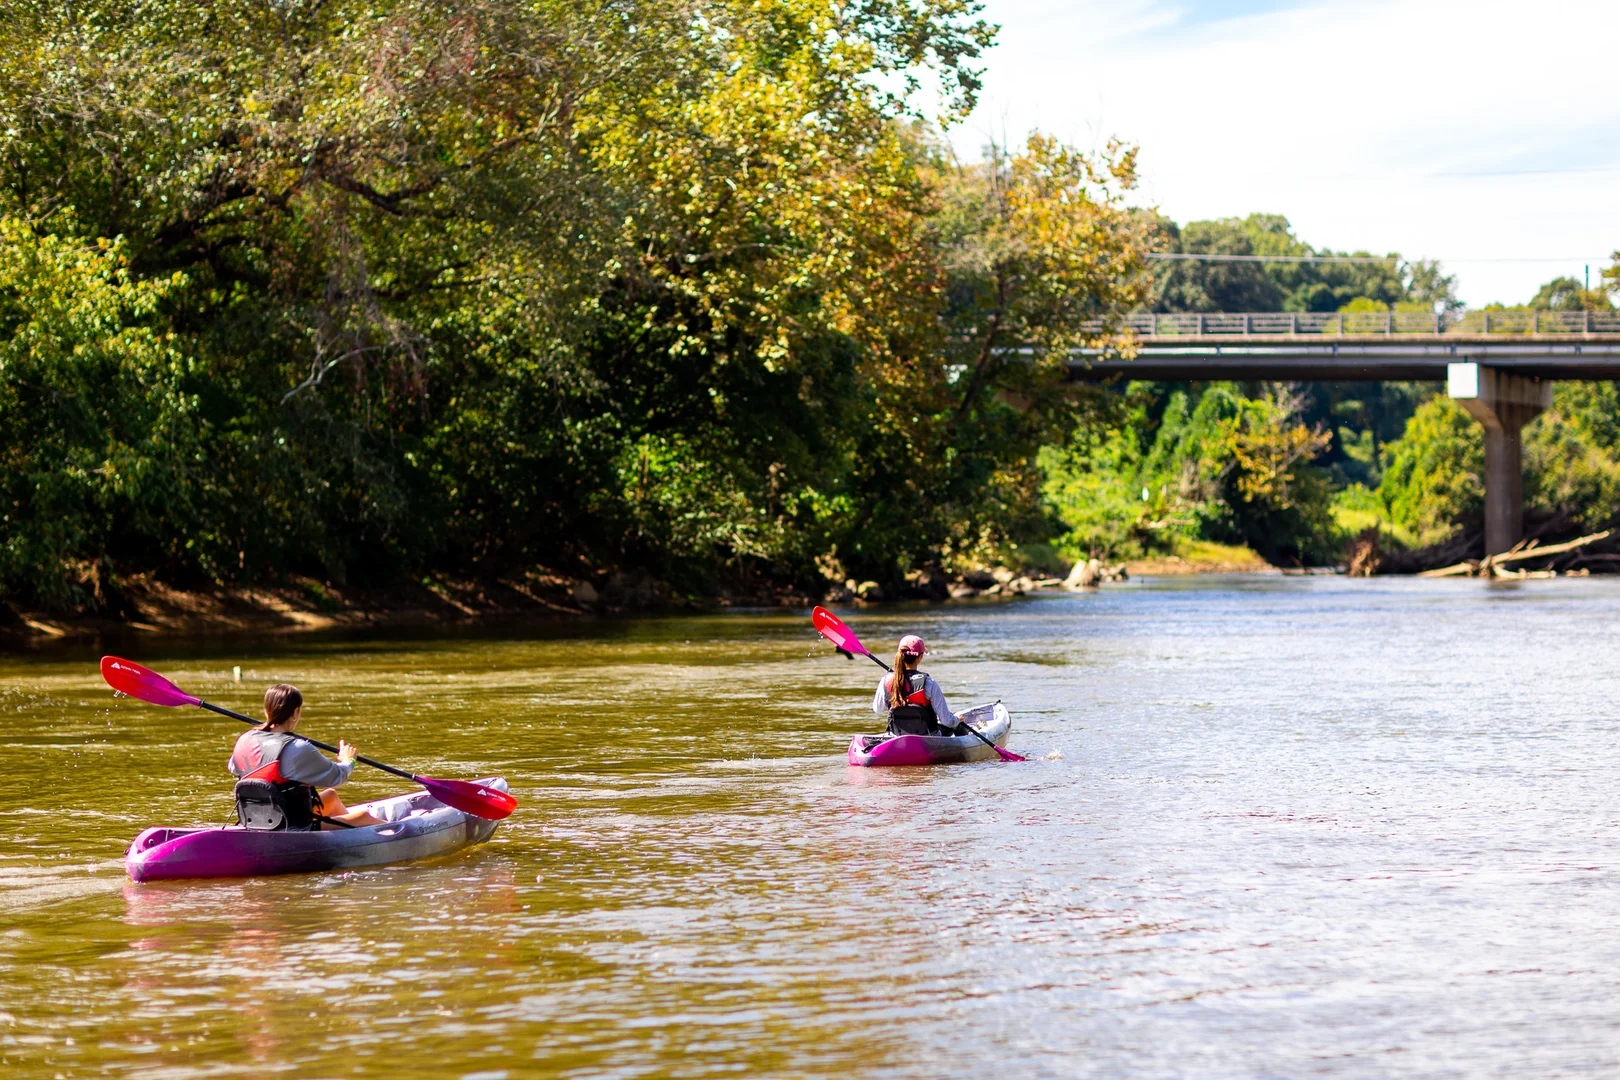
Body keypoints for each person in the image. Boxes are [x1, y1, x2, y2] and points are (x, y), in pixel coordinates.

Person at [227, 684, 382, 830]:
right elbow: (338, 777)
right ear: (295, 713)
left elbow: (233, 767)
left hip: (257, 820)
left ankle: (350, 838)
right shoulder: (297, 748)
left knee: (331, 797)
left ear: (267, 711)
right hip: (293, 828)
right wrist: (349, 760)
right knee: (364, 817)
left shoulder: (244, 740)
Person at [871, 635, 968, 737]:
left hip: (897, 737)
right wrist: (957, 719)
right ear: (920, 657)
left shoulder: (886, 681)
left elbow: (877, 709)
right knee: (957, 727)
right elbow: (947, 721)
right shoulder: (929, 683)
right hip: (928, 738)